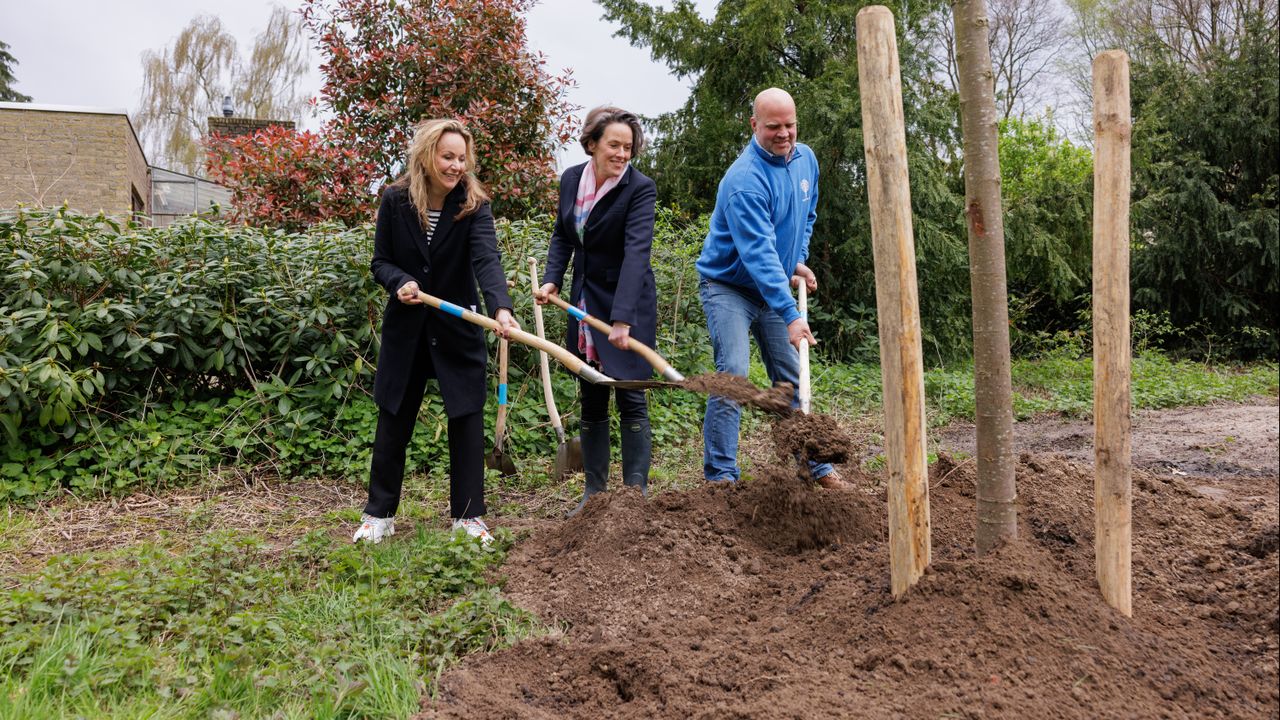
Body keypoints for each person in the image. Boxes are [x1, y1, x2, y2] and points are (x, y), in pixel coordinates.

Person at [354, 118, 519, 545]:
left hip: (456, 326)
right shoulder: (394, 200)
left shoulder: (473, 204)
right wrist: (399, 281)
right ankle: (379, 515)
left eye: (462, 158)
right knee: (394, 420)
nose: (456, 165)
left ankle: (468, 518)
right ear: (427, 156)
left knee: (465, 418)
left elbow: (487, 260)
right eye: (448, 156)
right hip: (407, 329)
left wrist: (501, 307)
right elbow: (381, 262)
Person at [697, 87, 847, 488]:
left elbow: (806, 213)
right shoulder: (744, 180)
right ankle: (721, 478)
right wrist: (792, 316)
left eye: (790, 125)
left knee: (790, 377)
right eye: (773, 127)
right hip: (730, 286)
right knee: (734, 375)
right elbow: (759, 255)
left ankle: (815, 468)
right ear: (754, 125)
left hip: (773, 283)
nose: (784, 134)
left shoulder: (806, 160)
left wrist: (796, 259)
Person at [536, 106, 659, 515]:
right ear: (592, 144)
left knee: (630, 394)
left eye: (628, 147)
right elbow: (562, 234)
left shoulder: (639, 188)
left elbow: (637, 253)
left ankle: (634, 497)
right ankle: (594, 496)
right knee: (592, 394)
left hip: (627, 301)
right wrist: (553, 277)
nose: (622, 154)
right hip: (584, 302)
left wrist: (622, 319)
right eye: (614, 145)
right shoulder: (572, 179)